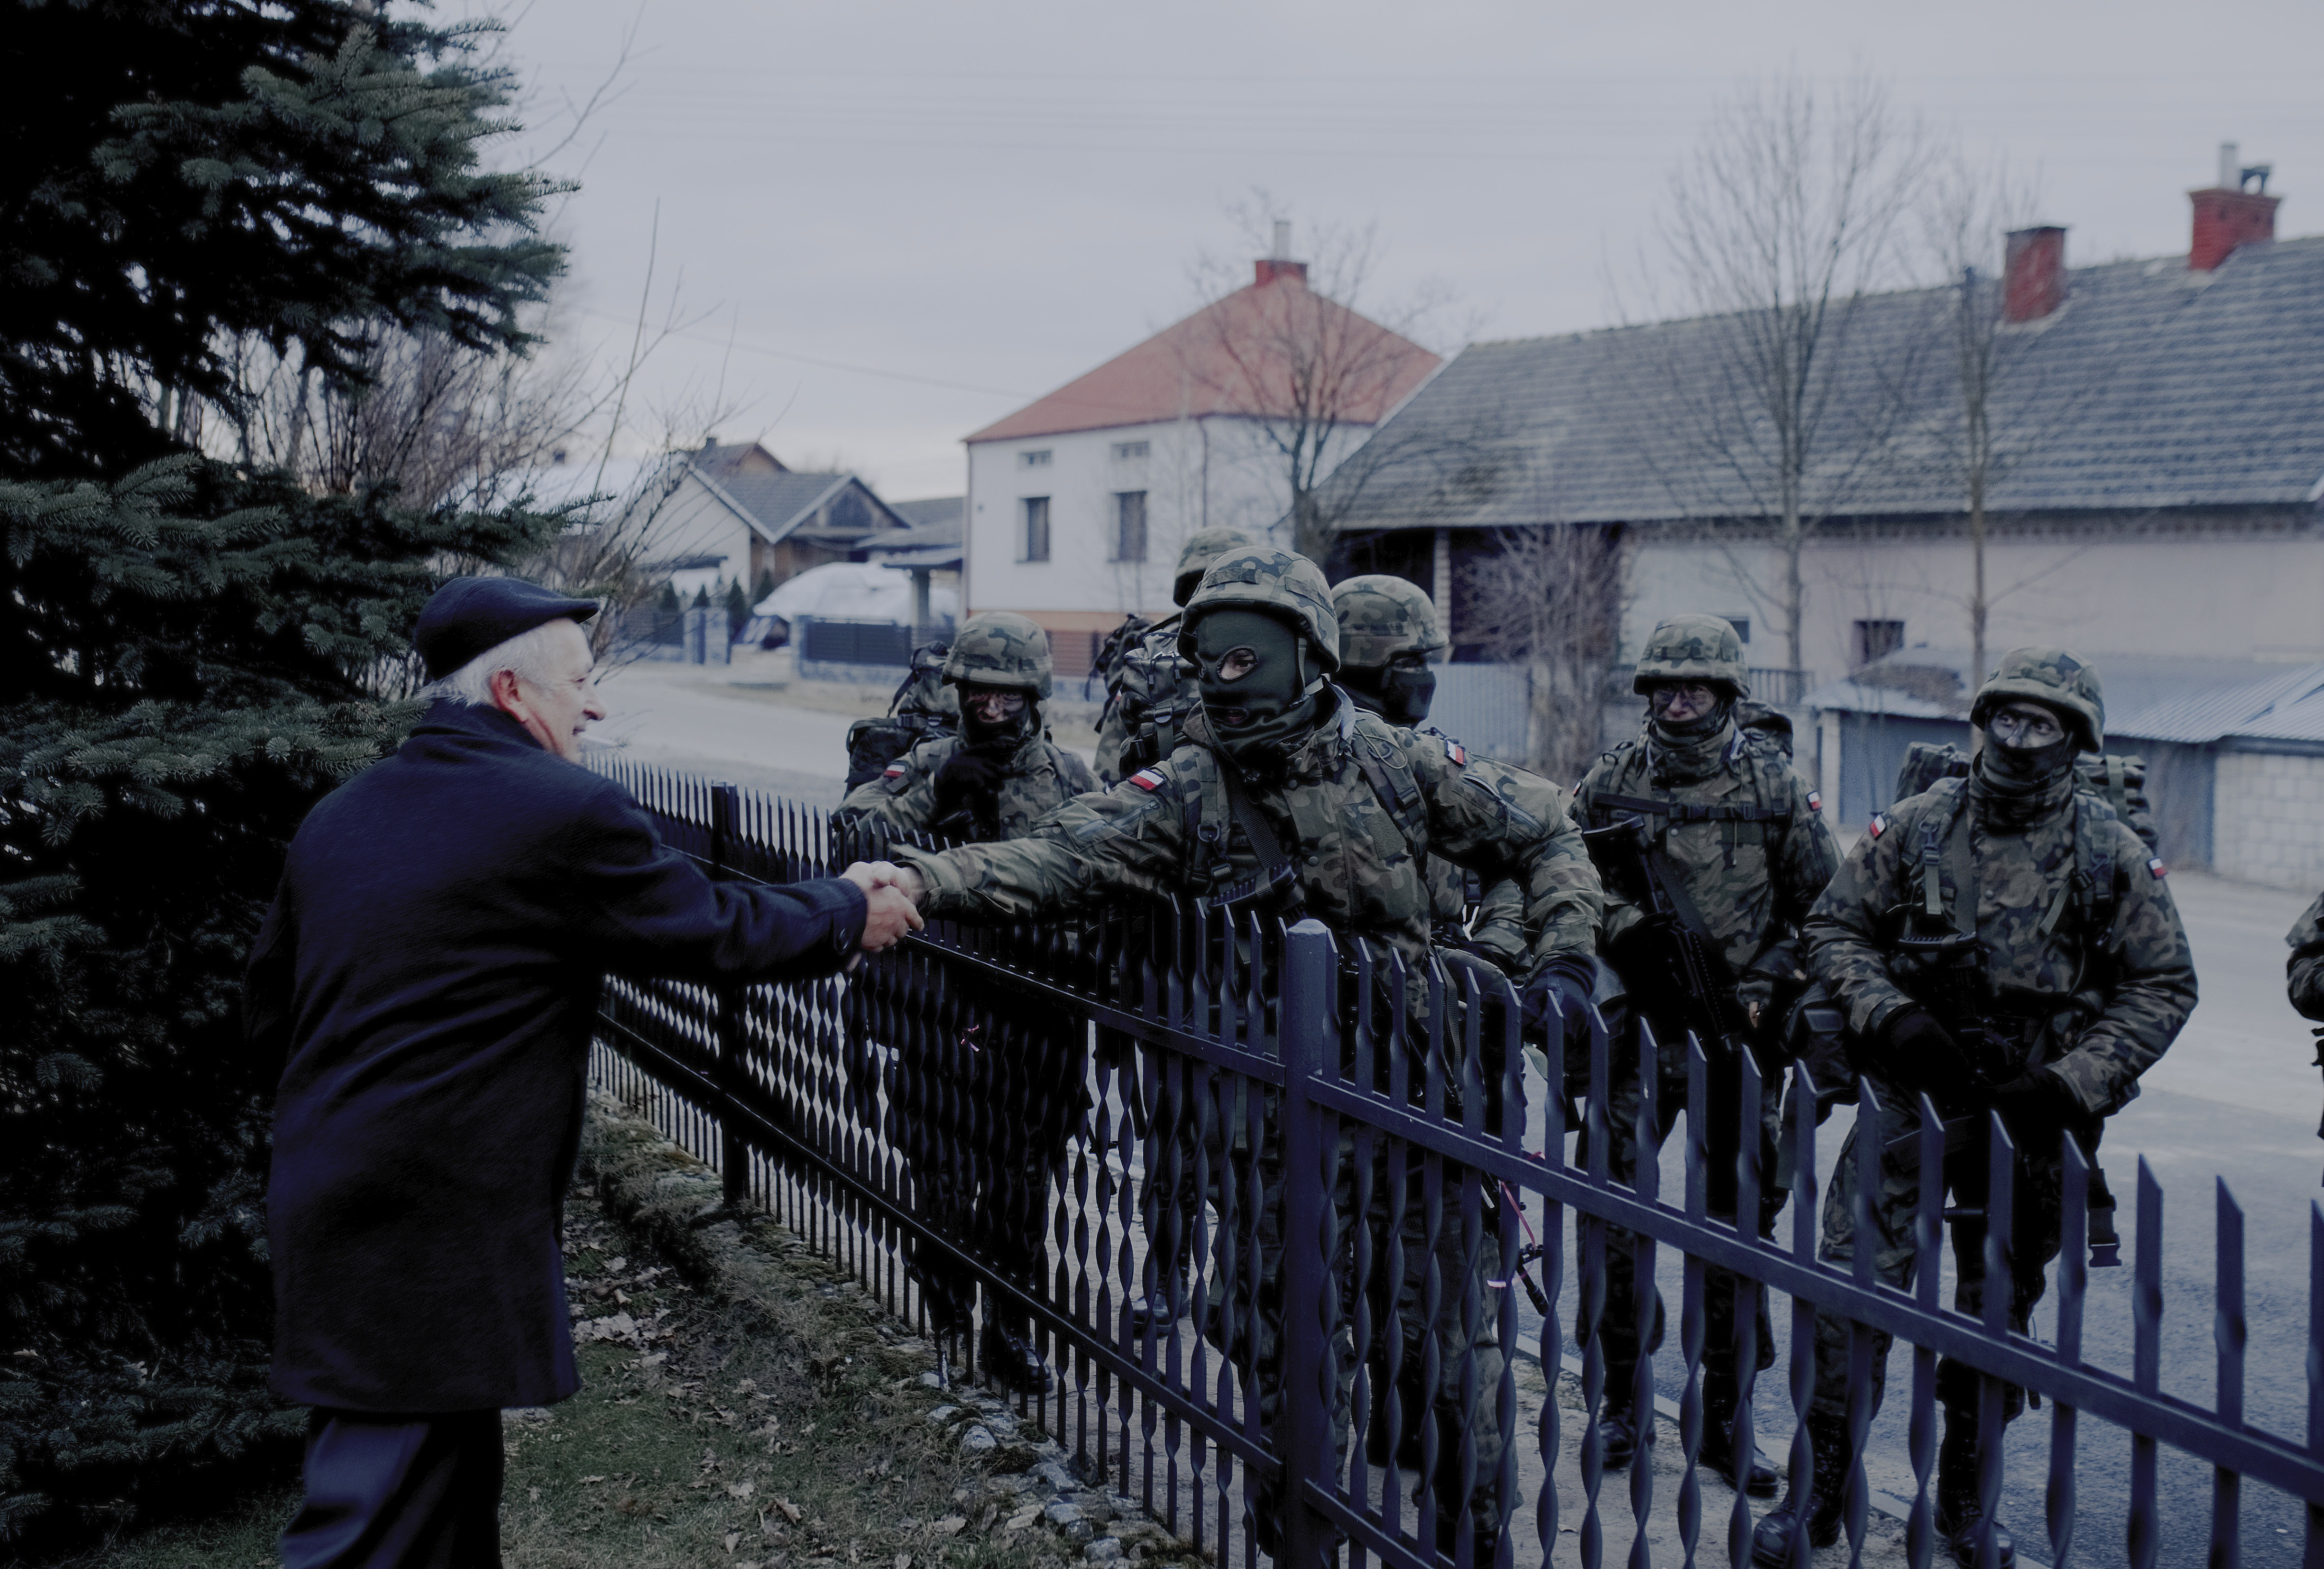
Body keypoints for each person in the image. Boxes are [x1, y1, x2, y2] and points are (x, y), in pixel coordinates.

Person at [877, 546, 1604, 1557]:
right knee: (1292, 1371)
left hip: (1425, 1116)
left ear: (1307, 654)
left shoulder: (1398, 761)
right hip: (1285, 1129)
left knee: (1456, 1374)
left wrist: (1558, 963)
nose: (1222, 680)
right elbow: (1062, 854)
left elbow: (1547, 830)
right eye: (1207, 659)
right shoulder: (1189, 787)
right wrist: (918, 877)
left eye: (1242, 658)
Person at [250, 576, 922, 1569]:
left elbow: (268, 1019)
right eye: (579, 683)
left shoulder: (343, 814)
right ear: (517, 695)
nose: (595, 702)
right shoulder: (553, 809)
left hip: (347, 1202)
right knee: (364, 1531)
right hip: (421, 1230)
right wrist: (843, 910)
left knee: (439, 1512)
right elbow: (708, 927)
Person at [1760, 647, 2196, 1568]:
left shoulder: (2107, 848)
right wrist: (1892, 1012)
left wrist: (2066, 1080)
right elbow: (1833, 926)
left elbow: (2161, 984)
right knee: (1845, 1293)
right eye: (2006, 716)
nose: (2018, 736)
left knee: (1990, 1311)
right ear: (1982, 719)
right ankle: (1816, 1493)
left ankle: (1964, 1499)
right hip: (1907, 1096)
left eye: (2041, 723)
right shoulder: (1919, 823)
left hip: (2030, 1114)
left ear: (2072, 737)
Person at [1568, 614, 1839, 1497]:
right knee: (1612, 1217)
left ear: (1727, 695)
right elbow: (1560, 874)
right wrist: (1626, 936)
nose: (1675, 702)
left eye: (1693, 687)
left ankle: (1724, 1415)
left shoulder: (1773, 787)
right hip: (1634, 1032)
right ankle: (1617, 1400)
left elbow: (1829, 913)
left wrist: (1767, 986)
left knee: (1734, 1229)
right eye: (1661, 686)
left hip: (1736, 1038)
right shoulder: (1610, 778)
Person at [833, 611, 1097, 1391]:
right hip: (940, 1005)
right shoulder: (927, 763)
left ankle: (1009, 1333)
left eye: (1007, 695)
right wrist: (936, 794)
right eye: (978, 692)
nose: (991, 707)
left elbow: (1104, 871)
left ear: (1034, 695)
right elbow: (849, 840)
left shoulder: (1072, 778)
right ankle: (947, 1324)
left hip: (1036, 1011)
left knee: (1022, 1187)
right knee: (942, 1180)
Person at [1092, 525, 1253, 783]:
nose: (1215, 596)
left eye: (1228, 584)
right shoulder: (1151, 663)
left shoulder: (1279, 655)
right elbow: (1108, 774)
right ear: (1187, 592)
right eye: (1202, 585)